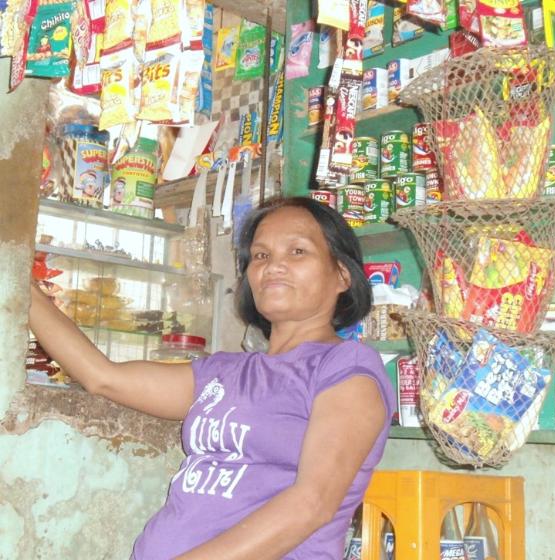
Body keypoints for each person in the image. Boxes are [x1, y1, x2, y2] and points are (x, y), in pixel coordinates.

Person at [29, 196, 396, 559]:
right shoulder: (222, 372)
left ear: (342, 275)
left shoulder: (346, 368)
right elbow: (102, 377)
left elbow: (311, 504)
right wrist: (17, 280)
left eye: (297, 251)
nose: (274, 266)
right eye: (261, 255)